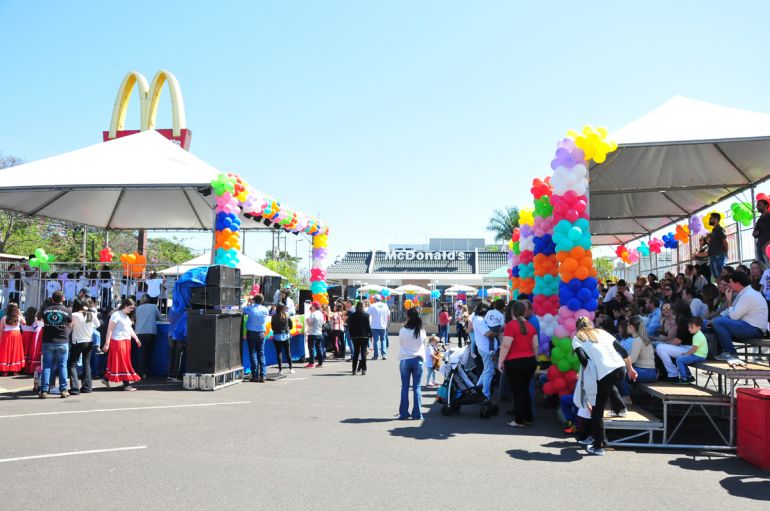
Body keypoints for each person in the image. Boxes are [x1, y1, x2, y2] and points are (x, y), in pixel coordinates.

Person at [572, 317, 637, 456]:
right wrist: (630, 369)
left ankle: (598, 446)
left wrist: (587, 378)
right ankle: (620, 408)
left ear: (577, 328)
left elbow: (583, 360)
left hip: (605, 373)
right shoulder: (601, 332)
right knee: (607, 384)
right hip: (620, 368)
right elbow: (623, 351)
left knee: (597, 411)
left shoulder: (577, 338)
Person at [498, 301, 538, 428]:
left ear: (512, 312)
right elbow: (535, 346)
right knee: (525, 390)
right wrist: (534, 360)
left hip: (514, 362)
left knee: (517, 392)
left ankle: (519, 420)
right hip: (530, 360)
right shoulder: (531, 326)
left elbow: (506, 345)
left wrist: (500, 361)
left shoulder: (510, 325)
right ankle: (528, 417)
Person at [712, 271, 769, 360]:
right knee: (707, 324)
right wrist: (711, 321)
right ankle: (713, 353)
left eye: (730, 282)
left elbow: (733, 316)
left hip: (754, 329)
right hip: (746, 326)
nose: (729, 285)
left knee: (718, 322)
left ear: (737, 283)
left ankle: (731, 353)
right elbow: (729, 312)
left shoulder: (748, 295)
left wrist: (729, 300)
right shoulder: (744, 293)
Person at [39, 290, 72, 398]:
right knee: (62, 366)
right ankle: (63, 389)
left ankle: (44, 390)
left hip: (48, 341)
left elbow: (43, 321)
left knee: (47, 366)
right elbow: (70, 324)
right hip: (62, 341)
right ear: (62, 299)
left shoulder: (46, 310)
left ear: (52, 299)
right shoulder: (67, 311)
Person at [103, 298, 142, 391]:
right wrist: (107, 343)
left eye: (133, 308)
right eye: (130, 308)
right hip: (118, 342)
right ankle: (126, 385)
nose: (132, 310)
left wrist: (136, 338)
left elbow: (129, 328)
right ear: (125, 306)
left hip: (125, 341)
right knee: (122, 363)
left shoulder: (125, 316)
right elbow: (110, 329)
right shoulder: (116, 315)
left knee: (120, 362)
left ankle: (106, 379)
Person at [617, 315, 658, 397]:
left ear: (632, 327)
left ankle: (626, 396)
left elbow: (632, 360)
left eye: (628, 325)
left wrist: (617, 362)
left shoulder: (638, 340)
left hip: (647, 372)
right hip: (647, 371)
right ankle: (627, 394)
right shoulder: (640, 339)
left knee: (619, 373)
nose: (627, 327)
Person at [398, 308, 426, 420]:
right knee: (417, 387)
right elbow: (423, 343)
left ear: (408, 317)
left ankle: (404, 413)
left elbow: (401, 343)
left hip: (405, 359)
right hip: (418, 360)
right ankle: (417, 414)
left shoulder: (403, 330)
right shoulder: (421, 331)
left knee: (405, 387)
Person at [68, 298, 100, 394]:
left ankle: (74, 388)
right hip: (88, 340)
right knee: (86, 363)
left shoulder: (75, 315)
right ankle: (87, 386)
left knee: (72, 364)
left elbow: (70, 326)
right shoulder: (92, 314)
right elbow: (97, 325)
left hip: (77, 341)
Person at [471, 303, 498, 401]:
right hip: (485, 349)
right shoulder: (479, 320)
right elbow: (488, 333)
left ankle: (477, 389)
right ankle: (485, 395)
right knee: (489, 372)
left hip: (484, 349)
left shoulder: (479, 320)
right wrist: (498, 332)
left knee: (486, 370)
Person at [242, 294, 269, 382]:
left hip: (251, 332)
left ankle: (255, 375)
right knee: (261, 354)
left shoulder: (250, 308)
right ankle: (263, 375)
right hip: (261, 333)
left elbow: (241, 309)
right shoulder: (265, 309)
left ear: (254, 300)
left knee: (253, 353)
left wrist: (247, 301)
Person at [133, 295, 160, 378]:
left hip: (139, 332)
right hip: (151, 332)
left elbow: (134, 319)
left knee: (141, 353)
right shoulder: (154, 307)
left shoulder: (137, 308)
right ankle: (148, 371)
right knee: (149, 352)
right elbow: (159, 317)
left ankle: (141, 372)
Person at [675, 317, 708, 384]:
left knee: (679, 360)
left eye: (692, 327)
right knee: (682, 360)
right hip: (699, 355)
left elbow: (694, 348)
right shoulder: (698, 334)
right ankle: (689, 376)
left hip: (699, 356)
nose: (689, 329)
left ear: (699, 327)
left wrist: (687, 353)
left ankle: (684, 378)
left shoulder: (698, 336)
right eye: (689, 327)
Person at [347, 301, 372, 375]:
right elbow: (368, 326)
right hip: (364, 336)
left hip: (355, 336)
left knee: (356, 353)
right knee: (363, 353)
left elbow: (350, 326)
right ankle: (363, 369)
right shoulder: (366, 315)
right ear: (363, 307)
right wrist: (371, 335)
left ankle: (354, 370)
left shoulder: (352, 315)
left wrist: (351, 335)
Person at [0, 302, 26, 374]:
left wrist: (0, 339)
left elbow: (1, 330)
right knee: (15, 352)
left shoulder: (4, 318)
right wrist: (20, 313)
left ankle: (5, 371)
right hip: (16, 335)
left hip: (7, 335)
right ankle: (15, 371)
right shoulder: (19, 317)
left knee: (6, 352)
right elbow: (24, 322)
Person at [270, 303, 294, 375]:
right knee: (288, 352)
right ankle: (291, 368)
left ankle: (280, 370)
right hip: (286, 335)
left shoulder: (274, 316)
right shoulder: (287, 315)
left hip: (277, 336)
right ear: (283, 308)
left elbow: (272, 327)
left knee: (279, 353)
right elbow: (291, 326)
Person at [367, 295, 390, 360]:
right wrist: (386, 323)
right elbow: (388, 316)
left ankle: (376, 355)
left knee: (376, 341)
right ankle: (384, 355)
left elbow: (367, 315)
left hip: (374, 326)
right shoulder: (385, 305)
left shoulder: (372, 306)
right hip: (383, 326)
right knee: (383, 340)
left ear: (374, 299)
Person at [708, 212, 728, 281]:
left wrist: (725, 254)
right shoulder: (714, 230)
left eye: (711, 218)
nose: (710, 219)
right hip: (713, 256)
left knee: (720, 276)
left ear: (716, 219)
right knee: (716, 276)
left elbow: (725, 242)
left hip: (718, 255)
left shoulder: (719, 229)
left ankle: (722, 291)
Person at [304, 301, 325, 368]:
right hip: (319, 333)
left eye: (312, 306)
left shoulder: (313, 314)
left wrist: (307, 321)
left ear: (314, 307)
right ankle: (320, 363)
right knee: (319, 348)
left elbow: (310, 323)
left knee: (311, 348)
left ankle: (311, 363)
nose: (311, 307)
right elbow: (323, 323)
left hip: (312, 333)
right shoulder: (321, 314)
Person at [754, 194, 770, 264]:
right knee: (763, 268)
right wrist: (755, 233)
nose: (757, 207)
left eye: (759, 205)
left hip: (767, 247)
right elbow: (755, 233)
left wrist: (767, 244)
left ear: (766, 206)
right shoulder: (759, 219)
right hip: (760, 246)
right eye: (757, 205)